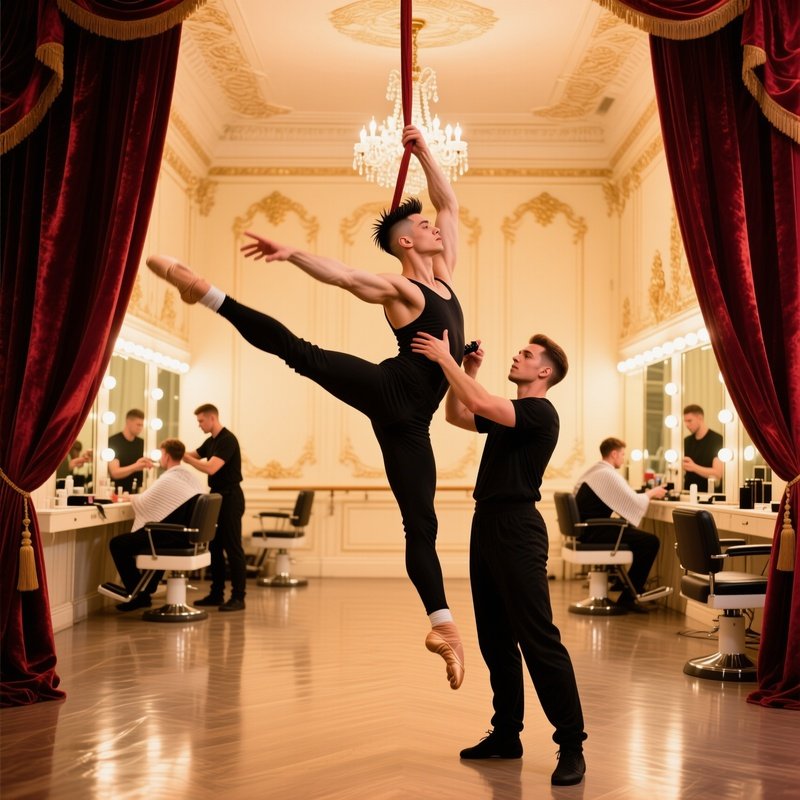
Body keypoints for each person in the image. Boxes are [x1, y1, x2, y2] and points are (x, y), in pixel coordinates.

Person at [146, 125, 466, 687]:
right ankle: (208, 293)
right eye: (420, 225)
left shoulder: (444, 279)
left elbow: (450, 201)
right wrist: (294, 253)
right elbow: (345, 276)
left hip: (412, 423)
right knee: (302, 354)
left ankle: (442, 625)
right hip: (389, 390)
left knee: (422, 524)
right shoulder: (404, 290)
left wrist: (425, 151)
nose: (433, 225)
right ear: (407, 243)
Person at [410, 330, 587, 787]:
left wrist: (448, 361)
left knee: (538, 639)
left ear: (544, 371)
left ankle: (571, 745)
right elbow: (458, 414)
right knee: (494, 638)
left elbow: (484, 405)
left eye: (527, 355)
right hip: (486, 523)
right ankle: (507, 733)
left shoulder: (539, 412)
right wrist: (466, 371)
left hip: (518, 529)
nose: (517, 356)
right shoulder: (511, 415)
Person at [105, 438, 202, 611]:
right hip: (186, 536)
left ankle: (138, 593)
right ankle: (146, 589)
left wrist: (131, 498)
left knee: (118, 544)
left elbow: (145, 502)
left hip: (174, 537)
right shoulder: (187, 476)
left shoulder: (169, 478)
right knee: (154, 538)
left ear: (165, 455)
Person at [573, 437, 667, 611]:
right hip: (594, 532)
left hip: (586, 530)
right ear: (614, 454)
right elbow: (633, 501)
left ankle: (623, 585)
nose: (624, 458)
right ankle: (629, 597)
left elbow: (625, 499)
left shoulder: (595, 470)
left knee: (629, 528)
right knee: (650, 542)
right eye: (623, 454)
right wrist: (653, 492)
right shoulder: (607, 473)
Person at [182, 404, 247, 613]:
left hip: (231, 498)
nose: (199, 425)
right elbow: (192, 454)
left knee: (233, 547)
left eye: (201, 421)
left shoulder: (227, 440)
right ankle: (216, 593)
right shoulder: (211, 441)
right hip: (217, 497)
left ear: (212, 418)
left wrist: (188, 459)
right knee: (215, 547)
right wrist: (174, 451)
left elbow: (211, 467)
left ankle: (238, 596)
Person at [108, 409, 153, 494]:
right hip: (118, 493)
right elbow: (115, 472)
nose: (140, 428)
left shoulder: (142, 443)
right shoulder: (114, 442)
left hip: (138, 493)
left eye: (142, 425)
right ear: (128, 422)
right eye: (138, 424)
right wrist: (136, 466)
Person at [682, 404, 723, 491]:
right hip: (687, 493)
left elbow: (718, 473)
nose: (687, 425)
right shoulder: (686, 441)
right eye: (685, 421)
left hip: (710, 495)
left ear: (700, 418)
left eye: (689, 421)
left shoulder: (717, 440)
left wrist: (694, 467)